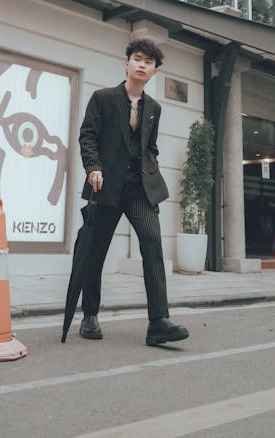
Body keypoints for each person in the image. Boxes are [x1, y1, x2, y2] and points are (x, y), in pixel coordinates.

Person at [78, 38, 189, 346]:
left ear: (154, 71)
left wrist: (151, 169)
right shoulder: (102, 98)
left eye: (148, 62)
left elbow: (150, 146)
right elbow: (87, 136)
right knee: (96, 250)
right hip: (106, 186)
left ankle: (158, 323)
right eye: (137, 58)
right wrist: (93, 167)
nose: (142, 64)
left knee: (153, 243)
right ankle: (89, 315)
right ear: (126, 63)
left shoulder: (154, 107)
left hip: (140, 189)